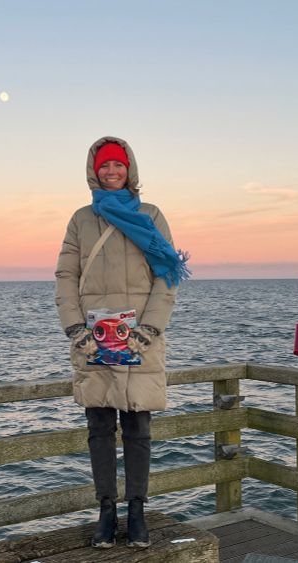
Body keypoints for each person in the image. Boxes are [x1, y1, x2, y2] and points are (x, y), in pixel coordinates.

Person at [55, 136, 188, 548]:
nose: (112, 172)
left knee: (137, 426)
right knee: (98, 427)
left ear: (130, 169)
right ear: (93, 171)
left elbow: (167, 275)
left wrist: (148, 330)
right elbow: (66, 277)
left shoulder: (151, 214)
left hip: (139, 338)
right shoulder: (80, 219)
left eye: (118, 165)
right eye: (104, 166)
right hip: (94, 339)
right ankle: (106, 510)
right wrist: (76, 329)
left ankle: (137, 511)